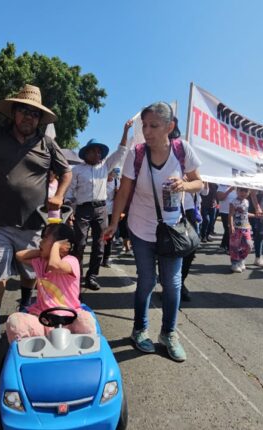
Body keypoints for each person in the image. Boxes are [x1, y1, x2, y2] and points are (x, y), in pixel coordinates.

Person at [0, 84, 72, 343]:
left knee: (30, 272)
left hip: (33, 225)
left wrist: (59, 196)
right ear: (13, 112)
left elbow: (66, 172)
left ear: (40, 119)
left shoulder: (47, 143)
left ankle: (25, 307)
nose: (29, 117)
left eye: (34, 114)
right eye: (24, 111)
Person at [103, 102, 203, 362]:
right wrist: (114, 223)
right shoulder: (136, 154)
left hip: (172, 229)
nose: (146, 131)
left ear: (169, 127)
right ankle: (139, 330)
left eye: (154, 126)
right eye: (144, 126)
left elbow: (200, 182)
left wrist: (184, 184)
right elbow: (123, 191)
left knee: (172, 283)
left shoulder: (182, 150)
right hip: (140, 226)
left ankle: (168, 334)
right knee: (146, 281)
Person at [6, 223, 96, 341]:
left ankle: (85, 351)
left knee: (86, 320)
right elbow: (20, 256)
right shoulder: (41, 261)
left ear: (62, 243)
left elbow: (54, 265)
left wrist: (56, 246)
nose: (40, 241)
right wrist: (43, 251)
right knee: (15, 322)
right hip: (43, 319)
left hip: (70, 320)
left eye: (45, 238)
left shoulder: (71, 261)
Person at [68, 122, 131, 290]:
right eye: (93, 151)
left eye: (99, 151)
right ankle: (76, 276)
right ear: (86, 153)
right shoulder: (77, 170)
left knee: (99, 244)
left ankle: (92, 277)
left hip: (101, 209)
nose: (97, 153)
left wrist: (125, 130)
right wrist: (69, 210)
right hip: (83, 209)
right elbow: (70, 192)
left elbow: (121, 151)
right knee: (80, 243)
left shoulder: (105, 167)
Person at [179, 179, 208, 301]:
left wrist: (202, 180)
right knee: (171, 250)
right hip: (173, 210)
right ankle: (170, 286)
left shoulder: (195, 174)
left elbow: (205, 191)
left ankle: (180, 282)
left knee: (190, 252)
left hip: (190, 213)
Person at [228, 187, 255, 273]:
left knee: (248, 245)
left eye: (246, 191)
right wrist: (231, 226)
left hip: (246, 227)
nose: (243, 193)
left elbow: (245, 214)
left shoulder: (247, 202)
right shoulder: (233, 202)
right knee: (234, 246)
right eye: (241, 191)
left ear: (249, 192)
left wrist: (255, 215)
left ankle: (241, 259)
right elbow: (231, 215)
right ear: (237, 191)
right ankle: (235, 263)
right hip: (236, 227)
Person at [101, 168, 121, 268]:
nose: (110, 175)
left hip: (112, 211)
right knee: (100, 234)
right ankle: (98, 255)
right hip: (100, 210)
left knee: (109, 235)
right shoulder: (101, 181)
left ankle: (106, 258)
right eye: (108, 172)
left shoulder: (117, 182)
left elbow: (121, 197)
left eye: (112, 173)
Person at [215, 184, 235, 252]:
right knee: (228, 229)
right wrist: (229, 190)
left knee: (230, 229)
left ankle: (224, 245)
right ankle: (228, 247)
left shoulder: (236, 187)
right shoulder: (221, 187)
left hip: (234, 212)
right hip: (225, 211)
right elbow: (220, 198)